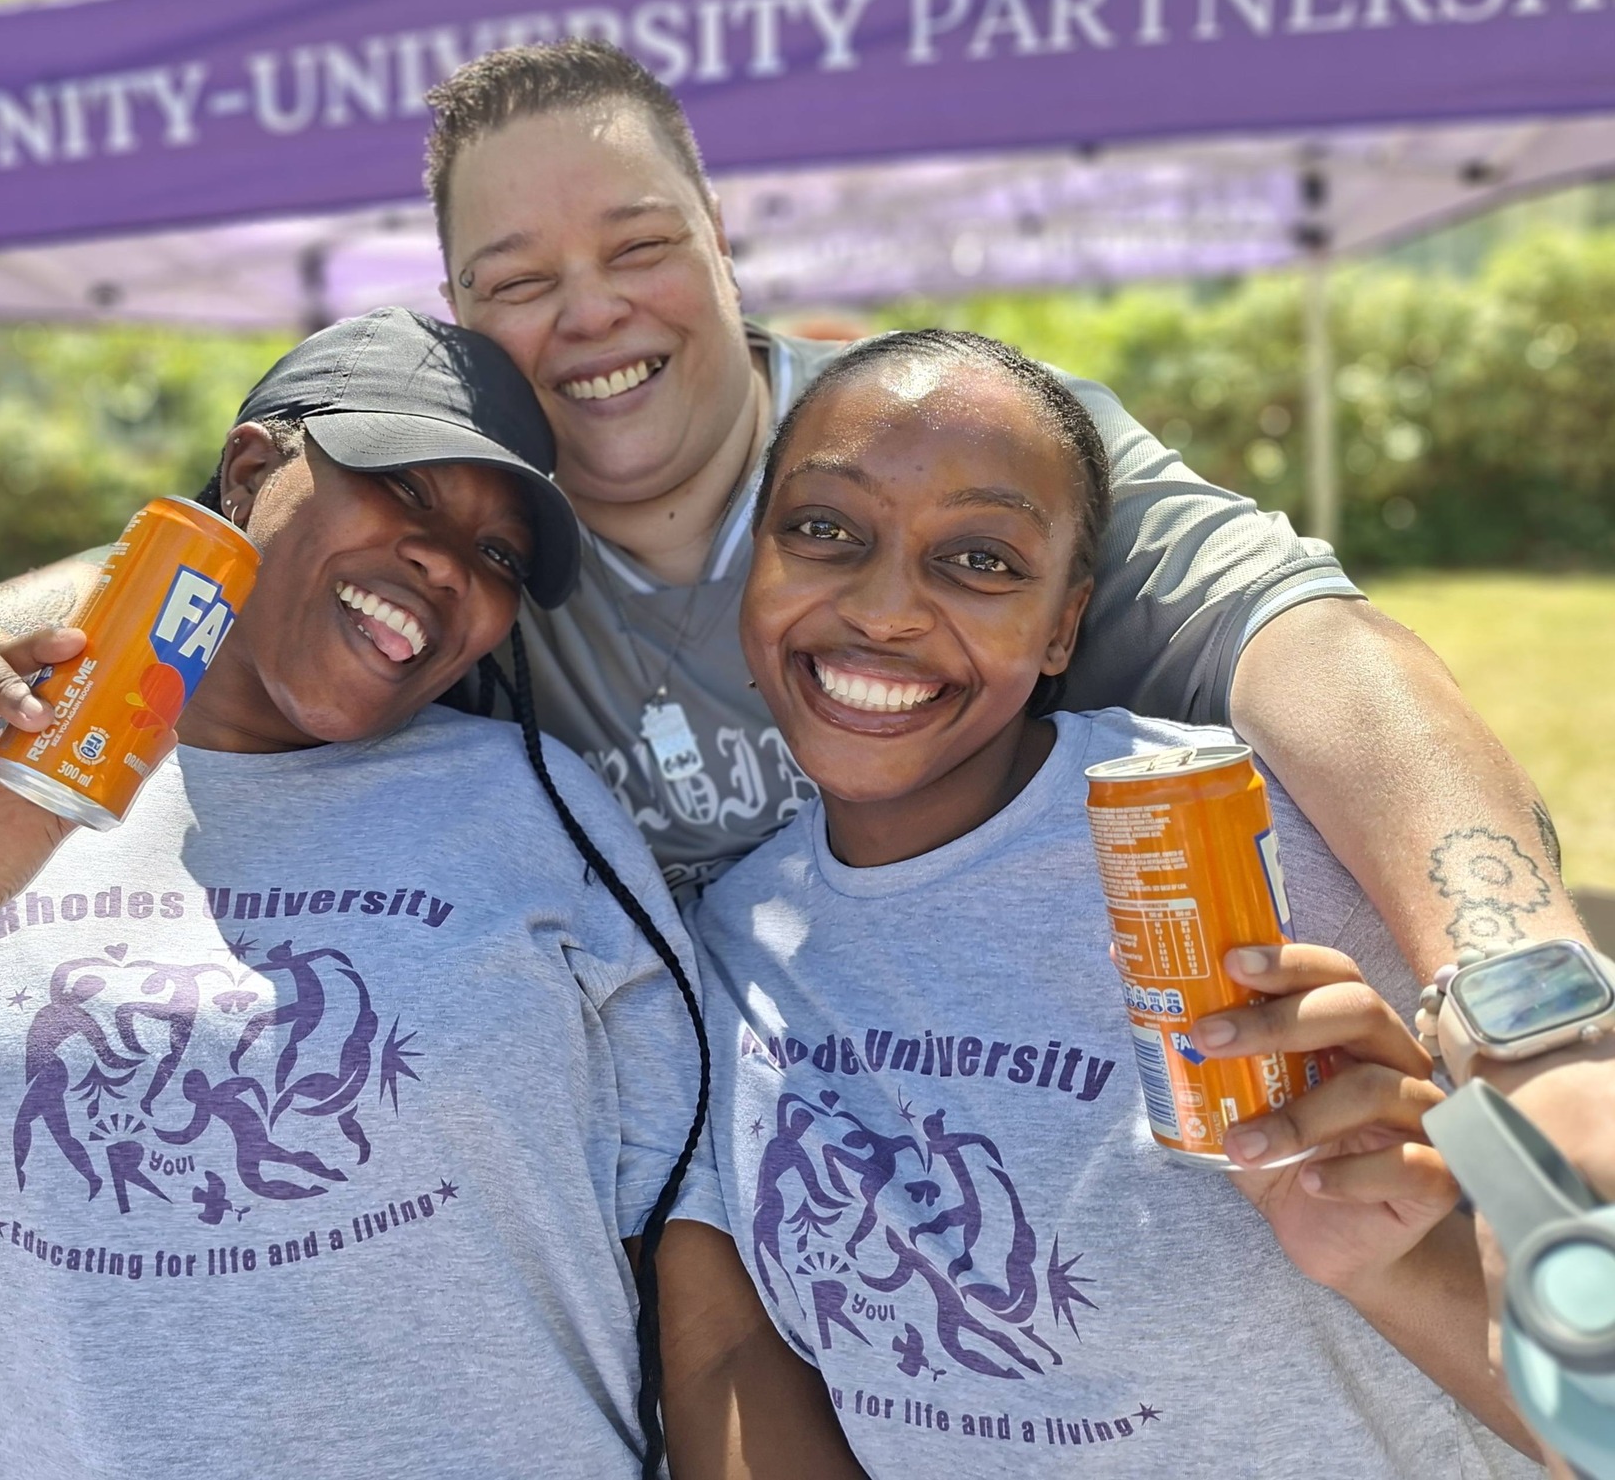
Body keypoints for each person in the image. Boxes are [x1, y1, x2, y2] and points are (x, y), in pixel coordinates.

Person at [0, 41, 1590, 1197]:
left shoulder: (929, 457)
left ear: (724, 246)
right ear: (463, 314)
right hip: (697, 1202)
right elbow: (153, 580)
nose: (591, 310)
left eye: (637, 244)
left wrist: (1527, 997)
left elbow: (1309, 642)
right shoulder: (472, 551)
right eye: (518, 280)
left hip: (1081, 1158)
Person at [0, 311, 712, 1480]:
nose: (448, 563)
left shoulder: (542, 810)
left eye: (497, 554)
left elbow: (700, 1281)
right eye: (402, 487)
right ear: (248, 470)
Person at [656, 329, 1539, 1477]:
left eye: (979, 559)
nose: (883, 609)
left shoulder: (1251, 847)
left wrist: (1395, 1266)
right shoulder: (724, 942)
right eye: (822, 530)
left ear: (1062, 626)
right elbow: (740, 1363)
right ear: (753, 566)